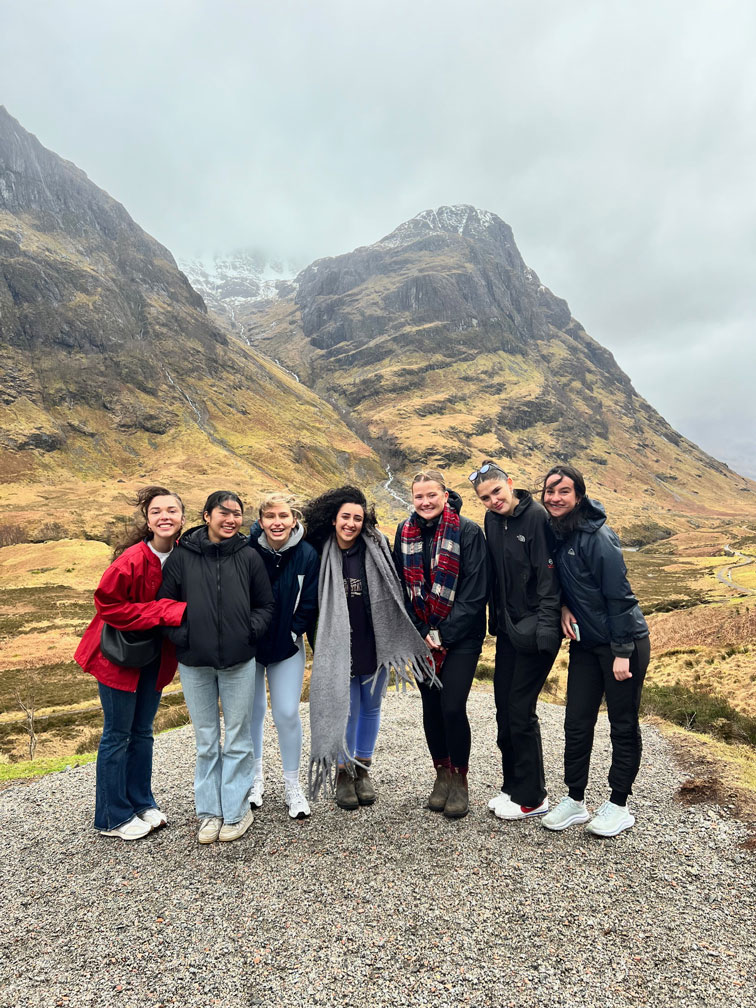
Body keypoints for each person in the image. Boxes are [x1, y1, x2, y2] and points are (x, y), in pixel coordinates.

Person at [304, 486, 434, 811]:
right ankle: (342, 772)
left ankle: (363, 769)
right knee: (346, 709)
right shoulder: (318, 550)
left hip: (375, 638)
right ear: (333, 519)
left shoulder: (376, 546)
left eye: (358, 518)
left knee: (371, 707)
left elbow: (394, 586)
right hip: (338, 644)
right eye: (345, 517)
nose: (351, 523)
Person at [539, 464, 651, 837]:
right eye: (550, 491)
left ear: (579, 496)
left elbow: (619, 596)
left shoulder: (597, 536)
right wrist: (563, 607)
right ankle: (574, 799)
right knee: (576, 721)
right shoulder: (556, 531)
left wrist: (621, 651)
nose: (555, 498)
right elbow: (564, 582)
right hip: (586, 644)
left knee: (622, 724)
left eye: (564, 491)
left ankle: (619, 804)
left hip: (624, 644)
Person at [158, 491, 274, 844]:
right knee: (207, 740)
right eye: (223, 513)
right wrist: (185, 636)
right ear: (206, 515)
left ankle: (237, 812)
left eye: (237, 514)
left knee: (238, 738)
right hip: (195, 663)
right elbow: (164, 604)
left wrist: (248, 632)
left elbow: (265, 605)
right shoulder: (181, 557)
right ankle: (210, 813)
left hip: (239, 661)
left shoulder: (250, 556)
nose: (231, 520)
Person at [75, 486, 187, 840]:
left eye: (172, 510)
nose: (165, 516)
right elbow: (106, 605)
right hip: (118, 657)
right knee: (117, 735)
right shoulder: (131, 559)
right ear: (148, 519)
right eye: (157, 511)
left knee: (142, 733)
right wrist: (166, 612)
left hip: (155, 656)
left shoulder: (184, 557)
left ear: (183, 518)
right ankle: (111, 816)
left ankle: (141, 802)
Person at [393, 469, 489, 819]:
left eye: (431, 495)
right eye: (419, 496)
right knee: (431, 707)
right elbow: (399, 588)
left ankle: (460, 780)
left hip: (461, 636)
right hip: (420, 635)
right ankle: (442, 775)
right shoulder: (403, 533)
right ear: (413, 498)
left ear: (445, 495)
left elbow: (476, 591)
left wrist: (443, 634)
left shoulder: (468, 532)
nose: (425, 502)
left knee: (451, 706)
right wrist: (421, 630)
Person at [470, 460, 562, 821]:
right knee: (504, 711)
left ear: (510, 484)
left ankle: (533, 797)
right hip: (508, 630)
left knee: (521, 712)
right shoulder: (493, 520)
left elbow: (547, 578)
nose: (493, 500)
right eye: (485, 497)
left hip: (537, 631)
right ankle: (512, 786)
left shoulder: (536, 517)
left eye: (497, 491)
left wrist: (546, 631)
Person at [247, 492, 319, 820]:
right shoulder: (246, 550)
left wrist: (293, 632)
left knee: (287, 713)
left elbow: (310, 602)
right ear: (260, 521)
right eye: (270, 517)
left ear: (294, 519)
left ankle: (293, 786)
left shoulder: (307, 555)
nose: (277, 523)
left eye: (283, 516)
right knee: (252, 712)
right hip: (249, 647)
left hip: (287, 647)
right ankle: (254, 780)